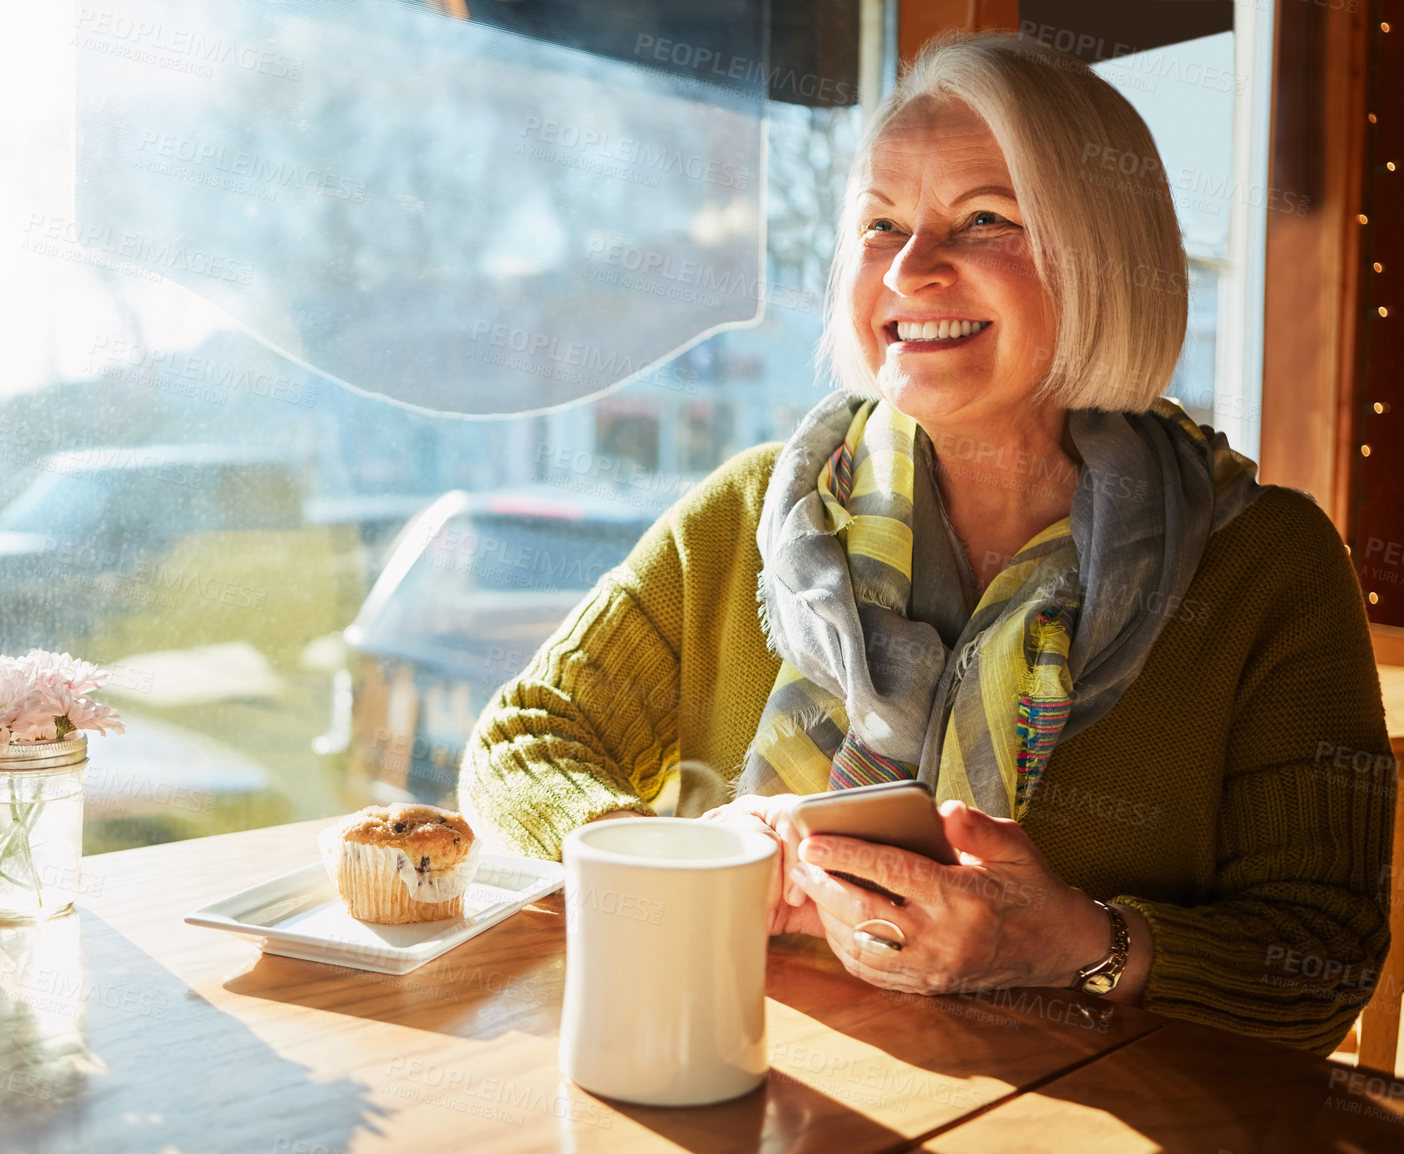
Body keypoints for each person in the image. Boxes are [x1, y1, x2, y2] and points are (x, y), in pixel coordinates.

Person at [458, 31, 1393, 1056]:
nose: (911, 268)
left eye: (983, 218)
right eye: (880, 223)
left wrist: (1074, 942)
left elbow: (1321, 958)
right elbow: (521, 743)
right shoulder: (745, 513)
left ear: (1101, 260)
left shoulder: (1270, 566)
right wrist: (680, 863)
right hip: (756, 1080)